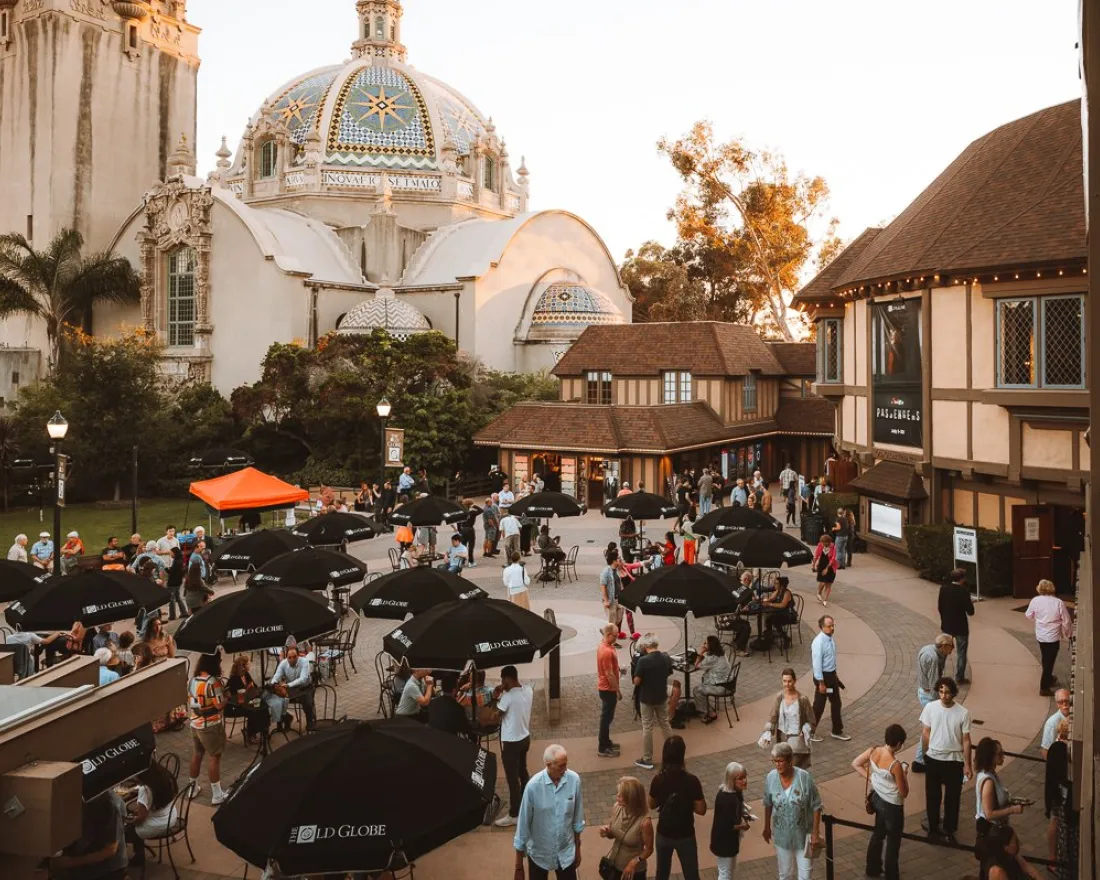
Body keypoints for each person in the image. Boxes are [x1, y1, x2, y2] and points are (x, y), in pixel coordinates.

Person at [512, 744, 584, 880]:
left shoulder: (574, 780)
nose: (565, 769)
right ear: (548, 765)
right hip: (539, 855)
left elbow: (577, 820)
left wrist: (578, 850)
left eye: (566, 764)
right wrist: (518, 867)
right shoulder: (533, 787)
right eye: (561, 766)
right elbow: (523, 827)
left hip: (566, 853)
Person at [852, 724, 909, 880]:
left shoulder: (874, 751)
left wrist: (872, 778)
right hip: (892, 806)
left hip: (877, 799)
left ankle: (872, 868)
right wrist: (904, 773)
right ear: (898, 744)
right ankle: (891, 875)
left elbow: (856, 763)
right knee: (892, 842)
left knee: (878, 834)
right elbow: (904, 792)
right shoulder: (895, 765)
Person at [919, 676, 972, 843]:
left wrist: (968, 764)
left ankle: (949, 829)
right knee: (933, 796)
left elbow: (966, 740)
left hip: (954, 760)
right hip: (934, 758)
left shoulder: (963, 713)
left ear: (953, 693)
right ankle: (933, 828)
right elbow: (925, 732)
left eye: (947, 692)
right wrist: (926, 753)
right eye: (941, 691)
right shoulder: (930, 708)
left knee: (953, 797)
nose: (943, 695)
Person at [763, 741, 823, 880]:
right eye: (774, 761)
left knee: (806, 875)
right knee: (785, 875)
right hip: (782, 837)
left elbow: (816, 805)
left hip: (803, 836)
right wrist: (766, 827)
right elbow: (767, 803)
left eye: (780, 761)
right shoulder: (771, 778)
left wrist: (815, 832)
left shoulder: (804, 778)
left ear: (790, 760)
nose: (777, 764)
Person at [647, 736, 705, 880]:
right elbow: (701, 810)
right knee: (691, 874)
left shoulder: (658, 779)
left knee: (662, 873)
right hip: (685, 834)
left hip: (664, 833)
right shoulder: (692, 781)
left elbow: (651, 804)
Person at [52, 790, 128, 880]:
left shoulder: (108, 803)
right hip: (87, 860)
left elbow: (109, 850)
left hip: (107, 869)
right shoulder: (85, 799)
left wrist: (71, 862)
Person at [495, 665, 535, 828]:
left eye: (502, 679)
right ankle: (528, 800)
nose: (501, 682)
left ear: (507, 679)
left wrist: (496, 695)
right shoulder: (528, 690)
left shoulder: (508, 697)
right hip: (525, 738)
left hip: (511, 743)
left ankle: (514, 814)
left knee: (513, 780)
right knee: (522, 771)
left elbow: (495, 716)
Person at [187, 651, 228, 804]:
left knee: (197, 755)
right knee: (214, 757)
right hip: (210, 725)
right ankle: (217, 794)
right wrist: (227, 697)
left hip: (194, 724)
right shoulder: (213, 682)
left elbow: (194, 705)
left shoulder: (192, 681)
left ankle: (192, 787)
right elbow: (218, 705)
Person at [125, 761, 180, 868]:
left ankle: (122, 863)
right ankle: (139, 856)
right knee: (132, 823)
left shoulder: (144, 790)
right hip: (171, 816)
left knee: (121, 832)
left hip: (157, 824)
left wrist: (127, 821)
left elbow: (141, 818)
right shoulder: (165, 777)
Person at [633, 634, 676, 770]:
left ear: (645, 646)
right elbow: (669, 672)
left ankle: (647, 759)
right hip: (661, 695)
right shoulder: (665, 657)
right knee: (665, 723)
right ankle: (674, 755)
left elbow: (637, 681)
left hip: (647, 697)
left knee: (647, 727)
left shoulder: (643, 661)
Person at [598, 776, 653, 880]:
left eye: (621, 795)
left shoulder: (645, 822)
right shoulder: (617, 807)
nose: (617, 796)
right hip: (614, 865)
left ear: (631, 798)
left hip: (633, 872)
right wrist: (606, 832)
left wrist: (634, 862)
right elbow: (613, 833)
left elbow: (649, 849)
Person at [1025, 579, 1074, 696]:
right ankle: (1044, 686)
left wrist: (1038, 619)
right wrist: (1069, 634)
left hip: (1041, 635)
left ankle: (1049, 678)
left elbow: (1028, 615)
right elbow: (1066, 621)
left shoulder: (1035, 600)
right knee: (1049, 660)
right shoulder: (1058, 602)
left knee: (1045, 657)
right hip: (1053, 636)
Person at [913, 634, 955, 771]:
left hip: (924, 692)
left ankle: (921, 759)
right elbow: (934, 685)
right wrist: (940, 704)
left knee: (930, 728)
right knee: (930, 729)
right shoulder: (934, 658)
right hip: (928, 697)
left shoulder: (929, 650)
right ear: (944, 646)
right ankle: (920, 760)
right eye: (951, 647)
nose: (952, 650)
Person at [974, 737, 1027, 843]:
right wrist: (1013, 810)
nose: (1003, 756)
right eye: (1000, 754)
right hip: (992, 832)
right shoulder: (988, 781)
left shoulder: (991, 773)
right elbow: (989, 814)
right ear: (990, 757)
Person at [761, 668, 815, 769]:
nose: (787, 684)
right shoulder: (780, 697)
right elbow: (773, 717)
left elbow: (811, 721)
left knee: (793, 769)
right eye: (784, 681)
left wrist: (805, 729)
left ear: (795, 681)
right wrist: (768, 732)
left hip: (797, 740)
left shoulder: (803, 699)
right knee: (783, 768)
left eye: (790, 681)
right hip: (782, 739)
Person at [1044, 719, 1076, 879]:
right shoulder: (1059, 748)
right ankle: (1053, 859)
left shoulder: (1057, 747)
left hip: (1056, 793)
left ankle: (1054, 858)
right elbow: (1059, 773)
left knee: (1055, 822)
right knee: (1056, 823)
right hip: (1059, 795)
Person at [810, 615, 849, 741]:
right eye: (829, 626)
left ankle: (837, 730)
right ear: (822, 627)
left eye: (833, 625)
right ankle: (810, 731)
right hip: (823, 680)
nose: (832, 628)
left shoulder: (830, 639)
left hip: (831, 678)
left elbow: (831, 659)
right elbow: (817, 665)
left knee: (836, 703)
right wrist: (821, 683)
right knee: (819, 706)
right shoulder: (818, 643)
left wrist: (835, 675)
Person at [711, 762, 750, 880]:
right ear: (732, 780)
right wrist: (742, 826)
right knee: (725, 873)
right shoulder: (727, 799)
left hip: (729, 840)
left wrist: (744, 814)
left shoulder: (734, 792)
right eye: (740, 778)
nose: (744, 780)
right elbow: (726, 826)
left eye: (745, 776)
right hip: (724, 842)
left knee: (729, 870)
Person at [266, 641, 317, 731]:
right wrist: (274, 684)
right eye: (289, 657)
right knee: (277, 698)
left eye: (294, 657)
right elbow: (276, 676)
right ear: (286, 657)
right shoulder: (283, 663)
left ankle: (310, 721)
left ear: (298, 656)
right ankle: (285, 719)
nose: (292, 659)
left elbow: (303, 679)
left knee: (307, 702)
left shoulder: (304, 662)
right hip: (291, 689)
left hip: (305, 687)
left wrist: (288, 685)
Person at [938, 568, 975, 684]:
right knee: (961, 652)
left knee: (943, 651)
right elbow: (970, 611)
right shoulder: (964, 591)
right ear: (962, 579)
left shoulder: (943, 589)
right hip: (961, 627)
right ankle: (959, 677)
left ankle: (938, 674)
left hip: (947, 625)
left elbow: (940, 607)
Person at [226, 653, 270, 744]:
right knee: (254, 711)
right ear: (242, 666)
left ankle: (263, 730)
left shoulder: (246, 674)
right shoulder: (233, 679)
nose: (250, 665)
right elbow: (231, 696)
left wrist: (253, 689)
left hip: (247, 701)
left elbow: (255, 686)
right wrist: (246, 691)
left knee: (263, 707)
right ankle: (250, 734)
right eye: (248, 663)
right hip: (235, 706)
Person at [974, 824, 1045, 880]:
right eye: (1015, 842)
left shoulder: (1011, 854)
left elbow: (1029, 868)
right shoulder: (997, 871)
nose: (1019, 843)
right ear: (1006, 847)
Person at [692, 635, 732, 723]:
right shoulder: (721, 653)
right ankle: (704, 707)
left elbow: (696, 665)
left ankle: (710, 713)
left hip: (722, 687)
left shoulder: (712, 658)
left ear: (710, 645)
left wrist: (701, 652)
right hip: (729, 683)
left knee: (697, 690)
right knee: (704, 680)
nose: (703, 644)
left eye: (705, 643)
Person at [597, 623, 622, 757]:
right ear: (608, 635)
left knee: (608, 717)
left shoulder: (605, 645)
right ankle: (603, 747)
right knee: (606, 718)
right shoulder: (606, 651)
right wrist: (617, 690)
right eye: (615, 635)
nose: (617, 637)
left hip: (607, 687)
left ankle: (606, 741)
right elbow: (609, 674)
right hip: (608, 689)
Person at [428, 675, 475, 740]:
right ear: (454, 690)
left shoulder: (432, 702)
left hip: (432, 739)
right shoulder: (458, 708)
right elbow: (465, 728)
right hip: (449, 743)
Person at [761, 576, 796, 646]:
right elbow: (771, 599)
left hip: (788, 615)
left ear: (782, 585)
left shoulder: (787, 593)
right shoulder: (778, 591)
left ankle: (784, 638)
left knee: (772, 619)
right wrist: (764, 600)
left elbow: (782, 605)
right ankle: (770, 635)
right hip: (780, 613)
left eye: (776, 583)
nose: (774, 584)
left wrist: (770, 604)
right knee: (769, 618)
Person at [600, 548, 626, 640]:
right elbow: (602, 586)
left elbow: (622, 578)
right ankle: (609, 640)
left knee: (618, 619)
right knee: (612, 622)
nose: (620, 560)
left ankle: (605, 632)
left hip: (618, 599)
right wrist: (606, 600)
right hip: (611, 600)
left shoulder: (617, 570)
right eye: (618, 559)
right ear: (614, 561)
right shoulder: (606, 572)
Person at [1040, 689, 1072, 758]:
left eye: (1067, 701)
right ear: (1057, 704)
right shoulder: (1052, 723)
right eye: (1061, 702)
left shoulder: (1075, 715)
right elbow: (1045, 751)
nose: (1064, 704)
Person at [812, 534, 837, 606]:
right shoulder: (820, 546)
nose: (824, 544)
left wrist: (827, 568)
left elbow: (833, 559)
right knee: (822, 582)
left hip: (831, 567)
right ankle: (819, 593)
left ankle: (825, 599)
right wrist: (813, 565)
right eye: (823, 542)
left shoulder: (833, 547)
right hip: (821, 566)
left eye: (825, 542)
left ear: (829, 542)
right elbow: (816, 556)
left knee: (829, 583)